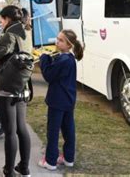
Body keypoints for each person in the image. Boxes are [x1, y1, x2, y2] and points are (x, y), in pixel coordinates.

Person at [0, 5, 32, 177]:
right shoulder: (27, 33)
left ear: (8, 19)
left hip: (7, 91)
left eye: (1, 20)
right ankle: (24, 168)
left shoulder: (9, 36)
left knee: (10, 131)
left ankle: (9, 171)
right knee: (22, 129)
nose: (0, 23)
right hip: (23, 88)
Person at [38, 29, 84, 171]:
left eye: (61, 40)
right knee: (68, 129)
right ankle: (68, 158)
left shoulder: (63, 60)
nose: (57, 42)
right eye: (57, 39)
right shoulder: (68, 58)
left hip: (57, 101)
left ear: (69, 45)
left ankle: (50, 161)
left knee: (53, 131)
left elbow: (49, 75)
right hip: (68, 100)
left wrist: (44, 59)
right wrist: (51, 60)